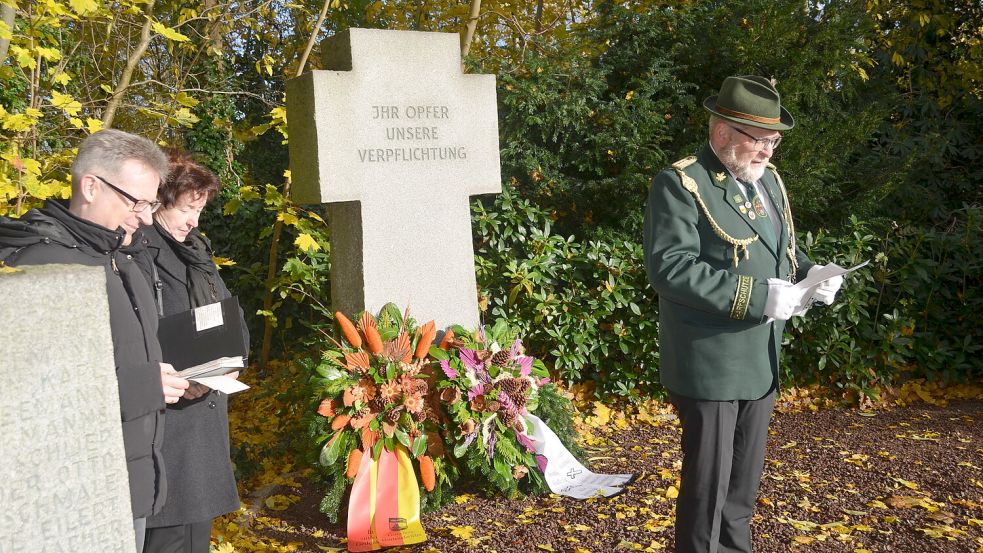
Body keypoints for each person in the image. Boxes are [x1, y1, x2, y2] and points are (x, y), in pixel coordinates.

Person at [643, 75, 844, 552]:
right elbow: (669, 268)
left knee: (740, 495)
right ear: (722, 134)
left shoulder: (767, 180)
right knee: (707, 494)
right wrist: (758, 298)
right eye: (760, 140)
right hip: (711, 365)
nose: (769, 152)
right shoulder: (681, 182)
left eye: (773, 141)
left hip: (759, 360)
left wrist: (813, 275)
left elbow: (780, 254)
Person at [0, 129, 190, 552]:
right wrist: (145, 387)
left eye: (151, 204)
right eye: (136, 202)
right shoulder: (40, 265)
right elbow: (28, 404)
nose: (144, 216)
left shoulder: (123, 261)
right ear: (90, 186)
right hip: (75, 496)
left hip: (133, 483)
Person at [134, 150, 247, 553]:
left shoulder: (197, 252)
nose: (194, 221)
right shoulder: (139, 252)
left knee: (197, 535)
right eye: (186, 209)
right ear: (160, 202)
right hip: (168, 419)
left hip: (204, 409)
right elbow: (137, 335)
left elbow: (226, 315)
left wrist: (232, 362)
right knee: (168, 536)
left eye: (200, 210)